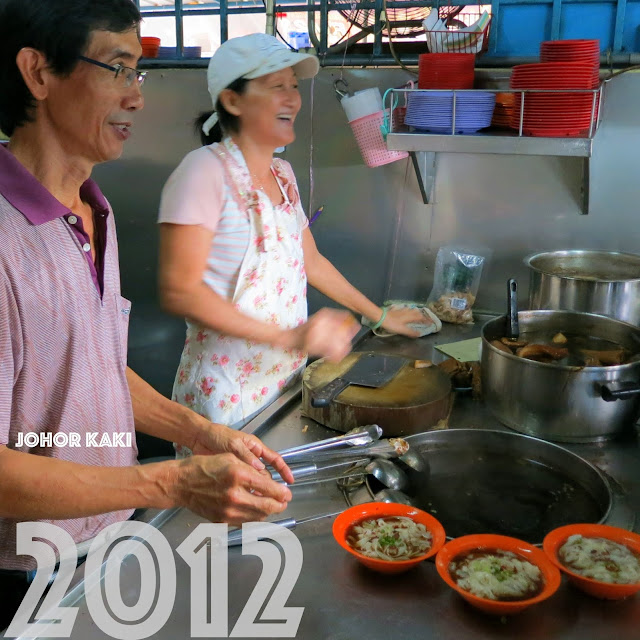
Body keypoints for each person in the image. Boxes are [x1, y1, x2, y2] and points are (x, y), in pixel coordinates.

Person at [0, 0, 296, 629]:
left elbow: (95, 369)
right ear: (38, 74)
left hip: (102, 538)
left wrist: (201, 434)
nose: (137, 99)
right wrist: (170, 483)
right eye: (117, 68)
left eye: (140, 74)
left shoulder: (90, 207)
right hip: (26, 569)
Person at [158, 33, 432, 438]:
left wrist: (380, 316)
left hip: (286, 381)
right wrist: (293, 335)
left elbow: (311, 261)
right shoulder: (202, 173)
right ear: (233, 101)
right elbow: (180, 291)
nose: (292, 98)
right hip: (225, 396)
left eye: (294, 86)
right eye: (276, 87)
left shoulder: (282, 175)